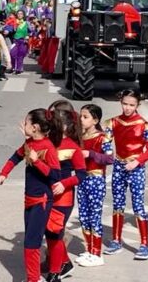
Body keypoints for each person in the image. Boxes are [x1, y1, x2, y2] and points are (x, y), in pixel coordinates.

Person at [0, 108, 62, 282]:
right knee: (30, 240)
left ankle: (33, 278)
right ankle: (33, 277)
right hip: (29, 200)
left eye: (26, 122)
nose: (22, 125)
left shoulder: (47, 147)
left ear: (34, 127)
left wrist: (37, 161)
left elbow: (56, 176)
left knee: (31, 243)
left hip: (42, 201)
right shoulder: (30, 143)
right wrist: (4, 173)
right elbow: (15, 157)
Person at [103, 89, 148, 260]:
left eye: (131, 105)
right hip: (119, 165)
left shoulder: (145, 125)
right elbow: (106, 141)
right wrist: (109, 152)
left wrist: (138, 161)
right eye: (125, 104)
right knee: (117, 204)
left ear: (137, 105)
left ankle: (144, 244)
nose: (127, 108)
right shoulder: (113, 122)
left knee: (138, 205)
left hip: (136, 168)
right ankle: (116, 240)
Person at [45, 102, 86, 280]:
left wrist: (65, 184)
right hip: (46, 195)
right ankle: (63, 263)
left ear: (65, 126)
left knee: (55, 233)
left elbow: (81, 174)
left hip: (64, 197)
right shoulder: (46, 142)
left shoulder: (73, 147)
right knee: (49, 232)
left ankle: (55, 273)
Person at [75, 104, 112, 267]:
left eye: (85, 117)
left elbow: (110, 159)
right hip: (82, 179)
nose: (81, 120)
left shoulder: (103, 137)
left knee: (94, 216)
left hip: (95, 180)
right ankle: (89, 249)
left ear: (95, 120)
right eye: (81, 116)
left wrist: (91, 154)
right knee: (83, 215)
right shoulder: (80, 137)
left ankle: (97, 253)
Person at [9, 10, 30, 74]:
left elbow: (31, 31)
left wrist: (28, 36)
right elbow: (9, 28)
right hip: (15, 40)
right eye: (18, 14)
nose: (19, 15)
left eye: (21, 14)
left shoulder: (26, 23)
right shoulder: (14, 22)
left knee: (21, 55)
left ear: (23, 15)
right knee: (12, 54)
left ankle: (19, 69)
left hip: (23, 41)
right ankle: (13, 67)